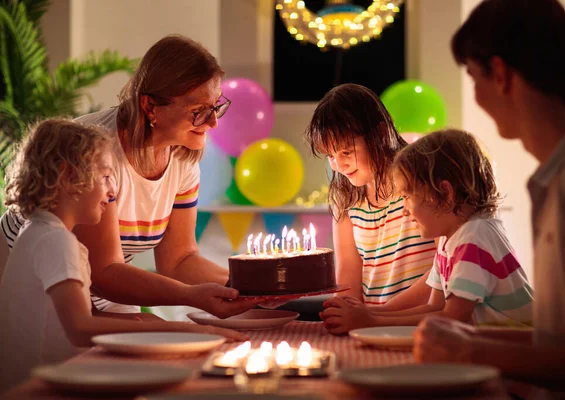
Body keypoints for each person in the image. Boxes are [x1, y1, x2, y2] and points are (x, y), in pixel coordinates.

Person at [413, 0, 565, 393]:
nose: (477, 95)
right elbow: (559, 342)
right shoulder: (559, 176)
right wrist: (469, 341)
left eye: (473, 77)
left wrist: (469, 352)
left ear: (500, 75)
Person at [0, 35, 260, 317]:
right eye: (198, 111)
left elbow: (180, 259)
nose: (213, 122)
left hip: (98, 283)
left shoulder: (183, 157)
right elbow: (105, 274)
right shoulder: (98, 152)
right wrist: (191, 299)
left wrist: (251, 288)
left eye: (215, 106)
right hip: (31, 281)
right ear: (150, 107)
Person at [0, 119, 247, 393]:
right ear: (68, 176)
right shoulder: (56, 241)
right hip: (41, 387)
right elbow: (80, 328)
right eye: (106, 176)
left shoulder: (37, 232)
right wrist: (182, 330)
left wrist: (139, 321)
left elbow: (73, 315)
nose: (112, 191)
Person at [320, 129, 533, 334]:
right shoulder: (449, 241)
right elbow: (434, 308)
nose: (403, 211)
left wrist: (372, 321)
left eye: (407, 197)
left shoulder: (473, 238)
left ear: (444, 193)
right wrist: (369, 313)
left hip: (518, 351)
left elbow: (453, 319)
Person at [303, 83, 437, 333]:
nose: (338, 165)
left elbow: (443, 269)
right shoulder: (346, 201)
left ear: (380, 134)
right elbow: (348, 279)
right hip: (372, 327)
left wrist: (378, 314)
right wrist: (343, 313)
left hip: (420, 324)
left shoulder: (421, 181)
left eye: (346, 151)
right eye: (330, 156)